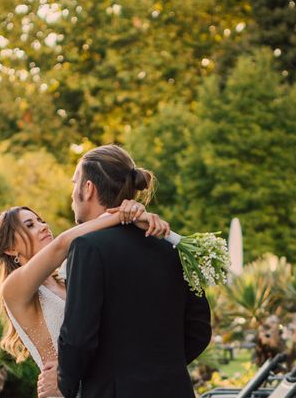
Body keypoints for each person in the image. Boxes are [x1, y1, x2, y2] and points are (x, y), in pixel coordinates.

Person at [37, 144, 212, 398]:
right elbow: (199, 329)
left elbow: (78, 338)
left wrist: (64, 385)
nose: (72, 193)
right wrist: (159, 369)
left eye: (75, 183)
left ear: (88, 189)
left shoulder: (88, 247)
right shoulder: (171, 246)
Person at [0, 200, 169, 385]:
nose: (43, 226)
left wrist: (132, 212)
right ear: (10, 249)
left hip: (98, 385)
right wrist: (122, 216)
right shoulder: (13, 288)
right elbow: (62, 244)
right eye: (30, 225)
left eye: (40, 221)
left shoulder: (68, 280)